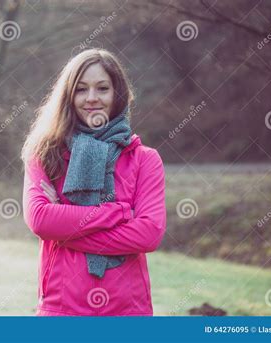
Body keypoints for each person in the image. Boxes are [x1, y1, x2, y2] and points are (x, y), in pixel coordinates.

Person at [21, 48, 166, 316]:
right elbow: (41, 220)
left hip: (127, 310)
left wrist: (66, 230)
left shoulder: (145, 160)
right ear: (68, 95)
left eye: (102, 88)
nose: (91, 98)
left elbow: (149, 234)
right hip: (61, 308)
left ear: (117, 94)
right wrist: (118, 213)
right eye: (81, 89)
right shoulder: (44, 154)